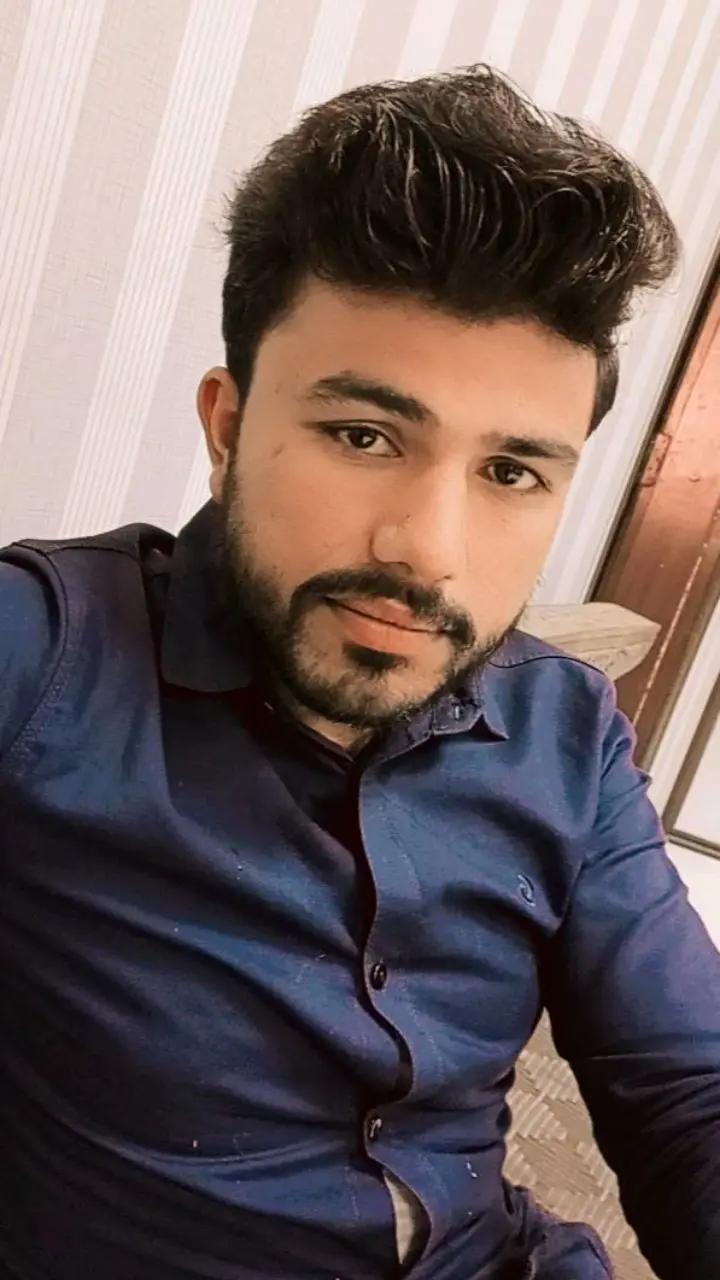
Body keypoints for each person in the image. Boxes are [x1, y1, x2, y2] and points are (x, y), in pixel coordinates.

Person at [0, 61, 717, 1280]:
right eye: (364, 435)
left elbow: (689, 1089)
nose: (427, 549)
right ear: (229, 425)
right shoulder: (43, 656)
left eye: (511, 472)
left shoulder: (567, 727)